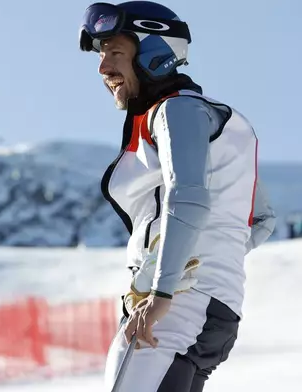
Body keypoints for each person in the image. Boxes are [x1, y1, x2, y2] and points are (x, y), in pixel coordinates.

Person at [78, 1, 276, 391]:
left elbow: (187, 198)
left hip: (175, 306)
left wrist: (163, 285)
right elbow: (260, 219)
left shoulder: (176, 112)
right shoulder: (219, 121)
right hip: (212, 310)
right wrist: (209, 259)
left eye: (115, 52)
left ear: (155, 54)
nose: (103, 68)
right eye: (101, 56)